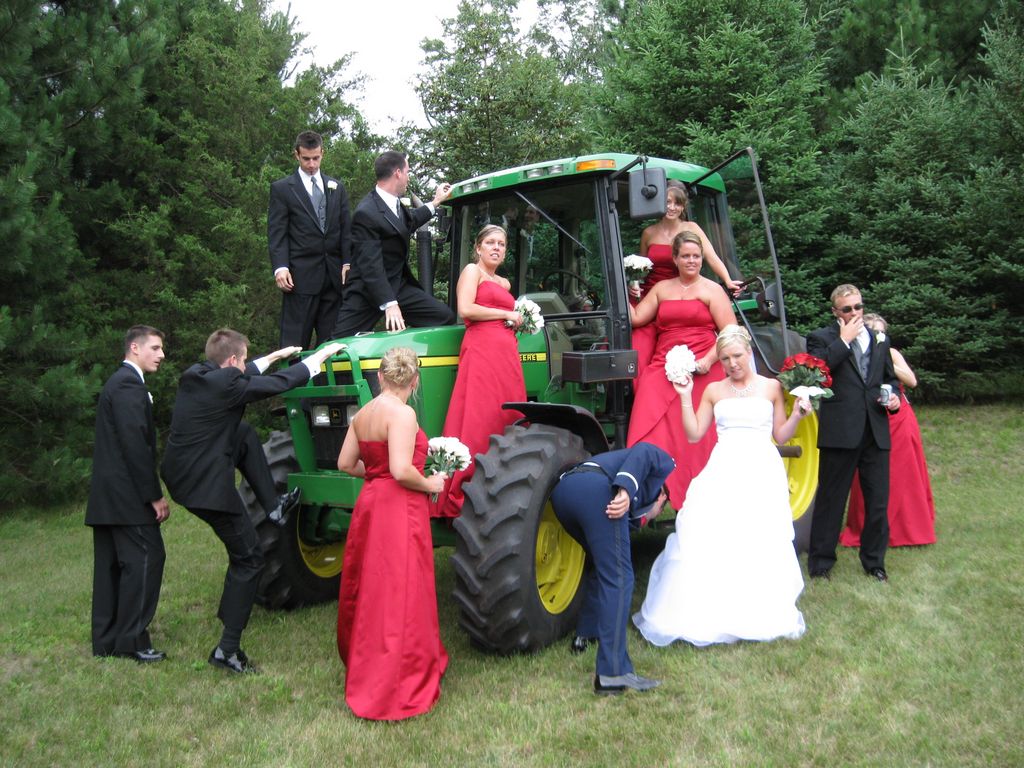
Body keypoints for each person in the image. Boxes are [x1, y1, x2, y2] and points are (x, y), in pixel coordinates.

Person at [161, 329, 345, 673]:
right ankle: (227, 650)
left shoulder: (198, 375)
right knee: (249, 559)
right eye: (242, 359)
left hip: (182, 474)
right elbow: (277, 385)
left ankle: (274, 508)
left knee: (243, 434)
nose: (245, 364)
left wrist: (275, 356)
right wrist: (318, 359)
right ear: (231, 361)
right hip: (206, 488)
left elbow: (243, 376)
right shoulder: (227, 385)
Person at [633, 326, 810, 647]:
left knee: (757, 534)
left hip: (760, 468)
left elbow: (781, 435)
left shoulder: (770, 387)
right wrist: (686, 397)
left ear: (749, 353)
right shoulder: (714, 390)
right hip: (724, 465)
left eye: (737, 356)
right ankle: (709, 607)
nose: (732, 364)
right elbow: (694, 434)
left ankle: (757, 606)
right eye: (726, 358)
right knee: (714, 531)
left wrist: (797, 414)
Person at [336, 346, 449, 719]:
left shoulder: (364, 413)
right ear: (414, 381)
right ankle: (397, 678)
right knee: (402, 588)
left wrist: (374, 476)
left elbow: (344, 463)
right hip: (399, 507)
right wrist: (431, 484)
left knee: (373, 585)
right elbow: (401, 470)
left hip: (371, 503)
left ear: (380, 377)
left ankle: (369, 665)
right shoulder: (403, 414)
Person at [626, 230, 737, 509]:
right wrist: (626, 290)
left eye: (696, 256)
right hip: (664, 364)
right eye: (685, 256)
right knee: (646, 415)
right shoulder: (662, 289)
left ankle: (698, 495)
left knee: (697, 434)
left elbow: (729, 332)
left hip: (703, 366)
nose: (692, 261)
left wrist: (708, 361)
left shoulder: (712, 290)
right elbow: (638, 318)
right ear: (675, 258)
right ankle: (650, 493)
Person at [551, 442, 674, 695]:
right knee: (620, 578)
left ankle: (584, 634)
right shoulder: (661, 468)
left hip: (563, 494)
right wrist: (626, 489)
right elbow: (646, 451)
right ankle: (612, 671)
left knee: (603, 565)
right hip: (595, 490)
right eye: (658, 511)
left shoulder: (618, 469)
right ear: (661, 499)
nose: (650, 516)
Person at [86, 326, 170, 663]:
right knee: (147, 559)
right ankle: (132, 640)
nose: (161, 355)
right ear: (134, 348)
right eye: (155, 348)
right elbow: (135, 444)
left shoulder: (117, 383)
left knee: (110, 568)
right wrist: (153, 496)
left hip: (108, 498)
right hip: (127, 498)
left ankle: (106, 640)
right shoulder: (128, 384)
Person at [806, 285, 901, 582]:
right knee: (832, 499)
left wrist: (894, 397)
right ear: (836, 312)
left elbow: (888, 379)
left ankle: (874, 562)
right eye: (847, 309)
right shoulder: (821, 338)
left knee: (877, 500)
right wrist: (844, 342)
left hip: (875, 429)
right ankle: (821, 563)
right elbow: (815, 375)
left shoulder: (879, 339)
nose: (854, 313)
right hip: (840, 430)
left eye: (858, 307)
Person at [434, 225, 526, 518]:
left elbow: (507, 314)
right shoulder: (472, 272)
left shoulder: (505, 283)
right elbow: (466, 310)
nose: (496, 248)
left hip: (506, 353)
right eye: (490, 242)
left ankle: (504, 481)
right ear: (478, 247)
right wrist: (506, 314)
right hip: (481, 349)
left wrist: (518, 320)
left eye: (501, 243)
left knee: (506, 414)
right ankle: (466, 488)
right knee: (479, 413)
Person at [331, 151, 455, 337]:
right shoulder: (366, 212)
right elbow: (371, 266)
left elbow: (408, 222)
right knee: (337, 344)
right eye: (407, 172)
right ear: (397, 173)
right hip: (367, 292)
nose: (408, 178)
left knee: (444, 317)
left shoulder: (394, 204)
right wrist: (390, 303)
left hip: (398, 286)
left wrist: (435, 202)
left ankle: (407, 360)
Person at [840, 314, 936, 547]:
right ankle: (870, 527)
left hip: (898, 419)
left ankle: (908, 528)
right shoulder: (855, 354)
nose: (878, 336)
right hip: (867, 417)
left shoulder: (891, 353)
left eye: (882, 332)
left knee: (903, 473)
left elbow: (911, 381)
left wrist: (883, 359)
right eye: (874, 331)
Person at [632, 181, 743, 375]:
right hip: (652, 295)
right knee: (638, 345)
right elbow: (642, 269)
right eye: (667, 202)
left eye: (677, 203)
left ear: (683, 206)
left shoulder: (691, 228)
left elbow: (711, 256)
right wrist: (633, 284)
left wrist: (727, 280)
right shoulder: (648, 233)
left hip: (681, 293)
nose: (671, 207)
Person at [268, 130, 352, 349]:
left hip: (333, 280)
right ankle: (291, 384)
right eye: (306, 159)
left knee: (332, 347)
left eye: (316, 158)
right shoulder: (282, 189)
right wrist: (280, 267)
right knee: (294, 346)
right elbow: (277, 232)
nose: (312, 164)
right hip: (299, 279)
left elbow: (346, 230)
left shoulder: (337, 188)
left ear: (322, 153)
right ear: (296, 155)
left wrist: (347, 262)